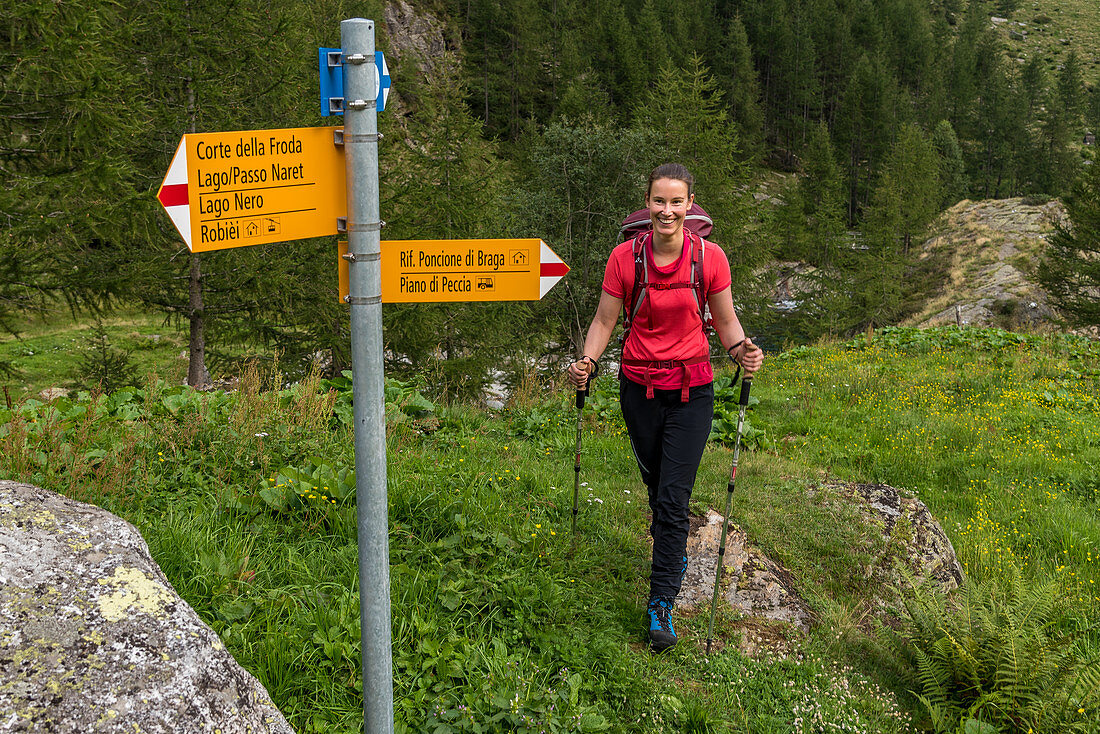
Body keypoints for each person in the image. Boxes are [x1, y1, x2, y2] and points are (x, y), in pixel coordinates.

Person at [567, 163, 763, 652]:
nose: (667, 211)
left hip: (693, 391)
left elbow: (725, 321)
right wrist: (587, 361)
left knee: (673, 499)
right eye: (659, 201)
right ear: (647, 203)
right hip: (637, 389)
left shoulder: (710, 258)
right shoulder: (624, 259)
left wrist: (743, 352)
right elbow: (604, 320)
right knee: (658, 491)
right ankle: (669, 551)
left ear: (691, 205)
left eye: (677, 202)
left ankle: (661, 604)